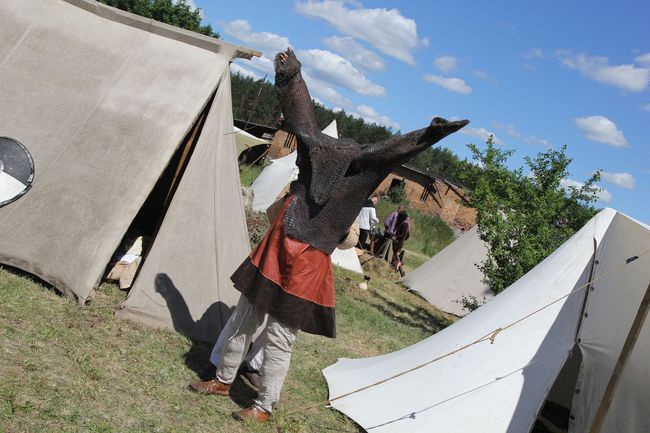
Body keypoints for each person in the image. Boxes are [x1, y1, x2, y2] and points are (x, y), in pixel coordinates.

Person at [188, 47, 468, 424]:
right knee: (245, 316)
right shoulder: (327, 150)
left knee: (280, 335)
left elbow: (386, 145)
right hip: (280, 243)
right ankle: (223, 379)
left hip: (308, 258)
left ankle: (264, 405)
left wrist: (431, 134)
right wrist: (291, 75)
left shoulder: (348, 160)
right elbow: (307, 115)